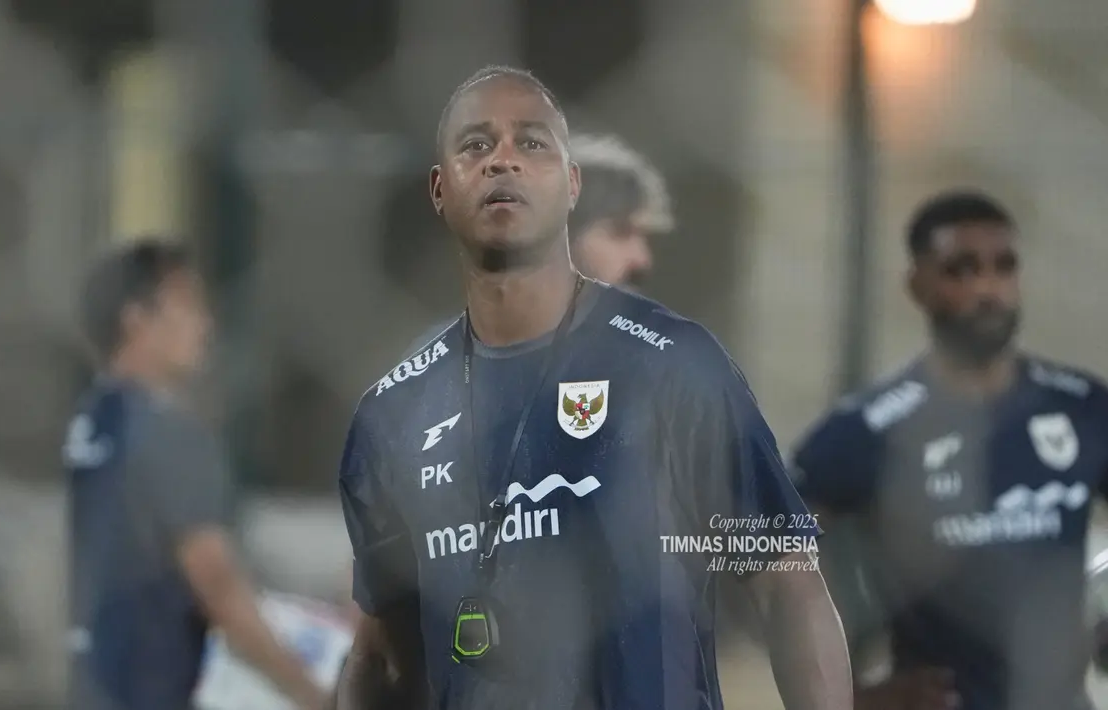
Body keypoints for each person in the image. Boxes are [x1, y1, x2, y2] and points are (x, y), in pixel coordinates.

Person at [335, 65, 852, 710]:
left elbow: (786, 587)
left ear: (572, 184)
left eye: (532, 143)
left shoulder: (672, 365)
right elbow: (383, 651)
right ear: (440, 190)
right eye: (475, 145)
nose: (503, 161)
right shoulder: (393, 414)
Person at [790, 190, 1108, 710]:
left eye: (1003, 267)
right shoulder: (871, 428)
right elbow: (758, 550)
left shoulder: (1081, 407)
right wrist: (850, 696)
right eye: (961, 270)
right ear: (918, 285)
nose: (987, 289)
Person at [64, 238, 326, 710]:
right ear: (137, 319)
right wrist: (315, 695)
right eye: (188, 307)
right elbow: (219, 589)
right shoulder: (169, 435)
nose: (205, 326)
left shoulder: (92, 422)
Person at [400, 131, 673, 358]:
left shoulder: (655, 356)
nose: (642, 259)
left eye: (643, 237)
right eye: (620, 232)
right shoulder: (442, 362)